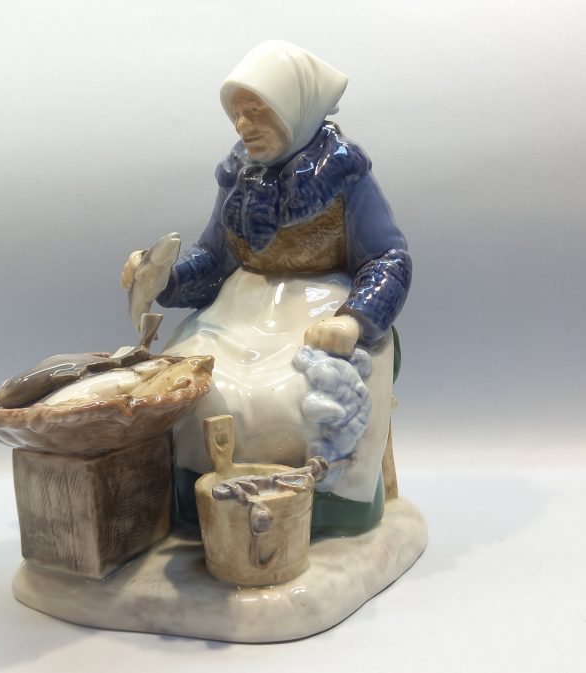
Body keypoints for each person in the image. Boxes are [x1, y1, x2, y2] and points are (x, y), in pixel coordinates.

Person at [123, 41, 411, 536]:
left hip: (318, 310)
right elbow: (213, 257)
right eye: (238, 114)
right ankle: (194, 505)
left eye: (258, 112)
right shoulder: (240, 176)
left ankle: (315, 512)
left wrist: (353, 319)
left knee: (298, 399)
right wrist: (163, 278)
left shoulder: (343, 174)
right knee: (186, 383)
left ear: (294, 107)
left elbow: (389, 258)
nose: (244, 126)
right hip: (238, 310)